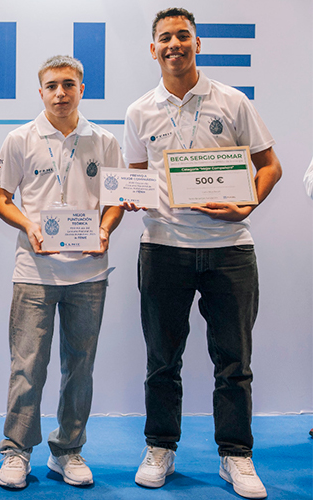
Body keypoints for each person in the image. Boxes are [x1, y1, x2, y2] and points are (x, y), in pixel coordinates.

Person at [123, 8, 281, 499]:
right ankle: (160, 447)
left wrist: (245, 204)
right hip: (164, 248)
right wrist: (131, 194)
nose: (174, 44)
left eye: (183, 36)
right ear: (153, 49)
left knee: (233, 360)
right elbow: (135, 174)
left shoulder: (232, 101)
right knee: (161, 361)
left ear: (197, 43)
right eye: (165, 38)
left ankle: (235, 455)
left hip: (229, 250)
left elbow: (270, 166)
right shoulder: (139, 110)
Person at [0, 55, 124, 489]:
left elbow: (116, 200)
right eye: (52, 86)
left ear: (81, 88)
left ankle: (68, 449)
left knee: (80, 366)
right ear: (41, 91)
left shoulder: (104, 141)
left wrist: (104, 229)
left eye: (69, 84)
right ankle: (16, 452)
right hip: (35, 270)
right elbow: (3, 198)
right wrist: (29, 225)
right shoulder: (19, 139)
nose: (61, 93)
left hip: (89, 272)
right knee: (27, 365)